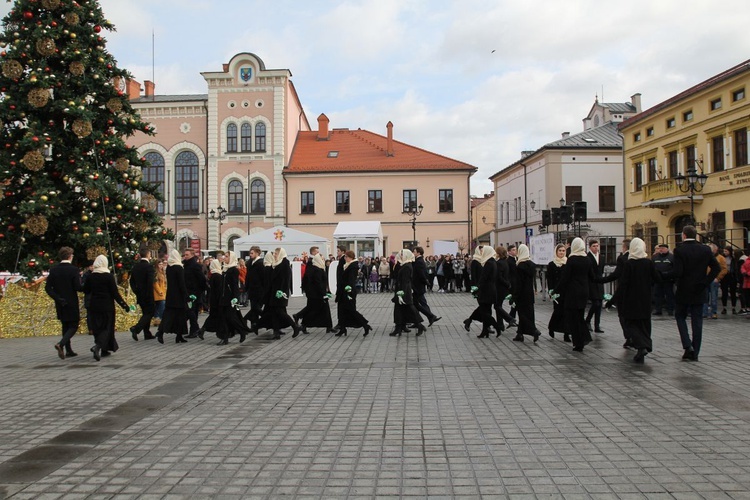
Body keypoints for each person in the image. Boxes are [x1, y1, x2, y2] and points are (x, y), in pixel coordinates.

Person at [673, 225, 721, 361]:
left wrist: (667, 276)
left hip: (684, 289)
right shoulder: (705, 249)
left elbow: (678, 272)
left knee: (680, 316)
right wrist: (705, 282)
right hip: (699, 290)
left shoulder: (680, 250)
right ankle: (695, 351)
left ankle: (687, 345)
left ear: (683, 235)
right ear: (696, 235)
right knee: (697, 321)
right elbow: (716, 268)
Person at [618, 238, 662, 363]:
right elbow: (657, 279)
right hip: (645, 298)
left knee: (631, 323)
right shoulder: (648, 263)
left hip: (631, 299)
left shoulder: (629, 264)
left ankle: (641, 346)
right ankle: (645, 345)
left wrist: (614, 300)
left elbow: (623, 284)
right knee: (644, 323)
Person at [82, 255, 130, 361]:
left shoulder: (91, 276)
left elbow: (86, 290)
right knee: (107, 328)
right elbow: (115, 293)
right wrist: (124, 305)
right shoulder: (108, 277)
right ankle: (98, 347)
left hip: (94, 305)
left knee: (97, 327)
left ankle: (104, 349)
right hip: (107, 306)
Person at [555, 238, 594, 352]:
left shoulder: (572, 259)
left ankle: (579, 341)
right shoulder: (587, 259)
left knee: (572, 318)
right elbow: (592, 277)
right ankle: (582, 340)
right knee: (580, 315)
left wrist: (556, 290)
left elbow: (565, 278)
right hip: (584, 292)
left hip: (572, 293)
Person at [45, 246, 83, 359]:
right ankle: (61, 344)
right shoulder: (73, 270)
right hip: (71, 301)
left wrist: (57, 298)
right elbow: (77, 287)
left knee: (65, 325)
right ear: (70, 256)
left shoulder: (54, 270)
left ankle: (69, 350)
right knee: (74, 325)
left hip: (60, 302)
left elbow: (48, 288)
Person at [598, 239, 631, 347]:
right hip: (635, 292)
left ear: (624, 247)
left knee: (622, 315)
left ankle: (628, 337)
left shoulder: (622, 259)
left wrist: (601, 280)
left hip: (623, 289)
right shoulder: (639, 258)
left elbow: (616, 274)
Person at [464, 246, 500, 338]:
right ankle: (487, 328)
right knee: (484, 309)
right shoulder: (476, 261)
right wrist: (474, 289)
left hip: (485, 289)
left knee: (484, 310)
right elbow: (474, 277)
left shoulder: (486, 261)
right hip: (480, 288)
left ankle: (479, 325)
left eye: (482, 250)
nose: (481, 251)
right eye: (480, 250)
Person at [217, 251, 251, 345]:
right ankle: (225, 338)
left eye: (227, 256)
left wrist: (235, 297)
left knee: (231, 318)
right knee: (224, 318)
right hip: (223, 297)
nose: (225, 258)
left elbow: (234, 285)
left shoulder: (233, 270)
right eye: (225, 256)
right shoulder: (225, 269)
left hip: (230, 298)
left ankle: (241, 331)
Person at [335, 250, 372, 337]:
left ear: (351, 257)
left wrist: (349, 291)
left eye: (346, 257)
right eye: (345, 257)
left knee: (351, 310)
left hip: (348, 292)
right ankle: (342, 329)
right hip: (343, 291)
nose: (345, 258)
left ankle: (365, 325)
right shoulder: (347, 265)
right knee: (342, 311)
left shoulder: (353, 266)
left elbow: (351, 280)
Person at [157, 249, 189, 344]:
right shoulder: (179, 268)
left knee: (170, 315)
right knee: (180, 315)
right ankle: (174, 335)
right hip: (178, 296)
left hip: (170, 295)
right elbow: (181, 283)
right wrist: (186, 295)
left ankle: (176, 335)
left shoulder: (169, 268)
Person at [297, 253, 334, 333]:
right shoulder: (317, 269)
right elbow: (318, 283)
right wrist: (323, 294)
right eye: (322, 258)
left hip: (317, 294)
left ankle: (328, 326)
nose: (323, 260)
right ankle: (303, 324)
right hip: (318, 295)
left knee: (322, 310)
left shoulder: (317, 268)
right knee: (314, 310)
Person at [268, 247, 300, 340]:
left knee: (280, 311)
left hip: (281, 292)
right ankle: (276, 332)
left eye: (276, 253)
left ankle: (294, 326)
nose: (274, 255)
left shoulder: (285, 264)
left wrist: (282, 291)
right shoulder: (276, 264)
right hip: (274, 291)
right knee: (274, 312)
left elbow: (286, 280)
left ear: (281, 254)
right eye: (274, 253)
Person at [512, 244, 541, 343]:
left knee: (522, 315)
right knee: (529, 313)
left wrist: (514, 296)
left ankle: (534, 331)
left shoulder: (520, 265)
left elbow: (518, 283)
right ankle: (519, 334)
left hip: (522, 294)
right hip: (529, 293)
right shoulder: (532, 265)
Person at [129, 245, 155, 341]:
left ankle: (147, 333)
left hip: (140, 294)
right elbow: (150, 282)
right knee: (150, 312)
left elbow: (132, 281)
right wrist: (149, 294)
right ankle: (136, 328)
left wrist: (136, 291)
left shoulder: (136, 266)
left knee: (145, 313)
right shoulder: (149, 267)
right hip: (147, 294)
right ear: (148, 254)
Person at [412, 246, 441, 327]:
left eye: (414, 251)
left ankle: (429, 317)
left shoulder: (419, 261)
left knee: (416, 304)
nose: (413, 253)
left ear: (418, 252)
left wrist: (426, 282)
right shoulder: (418, 260)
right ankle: (429, 318)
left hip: (418, 286)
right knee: (422, 303)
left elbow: (421, 274)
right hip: (419, 286)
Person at [182, 248, 208, 338]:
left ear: (192, 255)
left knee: (191, 311)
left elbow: (202, 279)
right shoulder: (186, 265)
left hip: (194, 293)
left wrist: (199, 291)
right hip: (188, 292)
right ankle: (194, 330)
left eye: (187, 255)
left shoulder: (195, 265)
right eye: (184, 255)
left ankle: (195, 329)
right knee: (192, 311)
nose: (185, 256)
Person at [199, 258, 226, 341]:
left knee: (213, 316)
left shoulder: (213, 274)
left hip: (213, 299)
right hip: (216, 299)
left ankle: (203, 329)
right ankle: (219, 333)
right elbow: (219, 290)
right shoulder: (217, 276)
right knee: (216, 316)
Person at [493, 246, 516, 337]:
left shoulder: (499, 263)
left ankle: (509, 318)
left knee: (497, 306)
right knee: (498, 305)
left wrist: (506, 283)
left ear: (498, 253)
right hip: (504, 287)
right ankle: (500, 325)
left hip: (500, 288)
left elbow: (499, 277)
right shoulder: (505, 262)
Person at [546, 243, 567, 341]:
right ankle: (552, 327)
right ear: (556, 252)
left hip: (566, 291)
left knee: (566, 312)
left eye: (563, 251)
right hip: (556, 292)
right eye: (560, 251)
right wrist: (551, 291)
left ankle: (566, 334)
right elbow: (549, 279)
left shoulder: (567, 262)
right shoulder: (551, 264)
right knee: (557, 311)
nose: (562, 252)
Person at [243, 246, 266, 334]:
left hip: (259, 290)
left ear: (257, 253)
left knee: (256, 308)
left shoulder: (260, 263)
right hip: (252, 290)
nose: (250, 255)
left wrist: (264, 289)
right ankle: (254, 325)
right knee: (253, 307)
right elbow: (248, 276)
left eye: (252, 253)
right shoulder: (249, 263)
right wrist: (247, 287)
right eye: (250, 253)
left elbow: (263, 277)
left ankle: (264, 319)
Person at [585, 239, 605, 333]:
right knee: (595, 303)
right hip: (591, 283)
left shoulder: (601, 257)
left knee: (599, 304)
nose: (596, 248)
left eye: (597, 246)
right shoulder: (588, 257)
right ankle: (588, 320)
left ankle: (597, 325)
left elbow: (601, 270)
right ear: (590, 247)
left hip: (599, 283)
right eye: (594, 246)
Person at [704, 243, 727, 319]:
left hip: (714, 280)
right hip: (705, 279)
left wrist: (718, 278)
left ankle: (714, 312)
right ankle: (705, 312)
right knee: (705, 297)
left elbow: (724, 269)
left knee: (714, 297)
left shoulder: (721, 258)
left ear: (715, 249)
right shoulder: (705, 257)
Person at [652, 244, 675, 316]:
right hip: (658, 279)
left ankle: (670, 310)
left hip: (668, 279)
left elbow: (674, 268)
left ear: (667, 249)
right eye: (660, 248)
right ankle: (658, 309)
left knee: (669, 295)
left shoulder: (672, 257)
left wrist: (668, 274)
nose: (661, 249)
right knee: (658, 295)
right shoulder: (655, 257)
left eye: (663, 248)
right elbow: (652, 267)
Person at [721, 246, 739, 314]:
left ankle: (733, 307)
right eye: (724, 251)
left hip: (731, 276)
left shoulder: (733, 258)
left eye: (726, 251)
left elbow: (735, 268)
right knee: (724, 292)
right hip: (724, 276)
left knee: (733, 292)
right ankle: (724, 307)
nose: (725, 252)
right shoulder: (722, 257)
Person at [152, 260, 167, 327]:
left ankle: (158, 319)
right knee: (161, 306)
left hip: (163, 291)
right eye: (159, 264)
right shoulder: (156, 273)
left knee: (159, 306)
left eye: (162, 264)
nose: (161, 266)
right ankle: (158, 319)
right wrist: (159, 291)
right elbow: (155, 284)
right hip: (158, 293)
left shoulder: (162, 272)